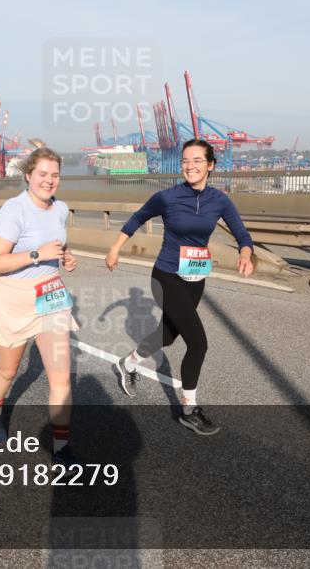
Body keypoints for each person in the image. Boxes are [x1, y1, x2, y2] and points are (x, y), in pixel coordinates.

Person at [105, 139, 255, 436]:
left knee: (168, 335)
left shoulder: (220, 200)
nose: (190, 166)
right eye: (185, 160)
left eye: (198, 160)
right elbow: (137, 218)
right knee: (198, 343)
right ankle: (188, 409)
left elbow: (241, 233)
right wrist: (115, 249)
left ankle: (129, 363)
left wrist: (245, 253)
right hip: (166, 276)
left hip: (195, 277)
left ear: (211, 165)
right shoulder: (167, 197)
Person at [0, 147, 78, 465]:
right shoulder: (14, 210)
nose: (49, 181)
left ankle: (62, 449)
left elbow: (59, 246)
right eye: (42, 174)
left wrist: (66, 257)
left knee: (61, 378)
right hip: (14, 296)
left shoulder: (62, 208)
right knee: (8, 370)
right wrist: (37, 254)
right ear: (28, 175)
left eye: (54, 175)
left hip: (50, 293)